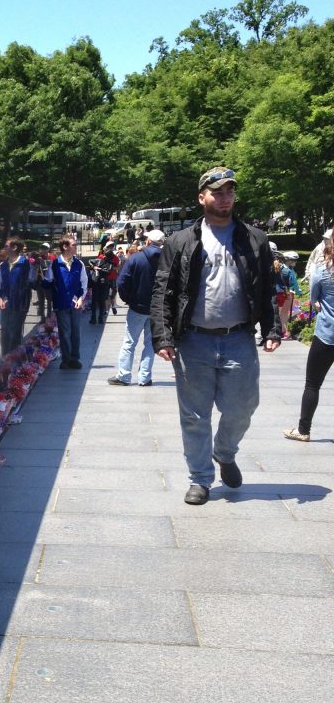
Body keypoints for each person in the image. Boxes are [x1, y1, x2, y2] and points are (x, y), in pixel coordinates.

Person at [150, 166, 281, 505]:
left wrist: (272, 328)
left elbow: (266, 288)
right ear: (202, 197)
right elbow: (164, 290)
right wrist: (162, 336)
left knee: (244, 407)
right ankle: (200, 478)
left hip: (238, 338)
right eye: (217, 191)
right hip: (194, 341)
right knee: (194, 415)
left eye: (229, 191)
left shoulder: (255, 239)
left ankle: (224, 452)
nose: (225, 197)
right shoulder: (181, 241)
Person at [284, 233, 334, 442]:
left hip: (327, 334)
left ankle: (303, 430)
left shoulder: (323, 271)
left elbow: (314, 299)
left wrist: (318, 304)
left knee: (313, 384)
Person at [108, 228, 165, 387]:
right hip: (157, 309)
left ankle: (124, 375)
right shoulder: (167, 260)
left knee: (129, 343)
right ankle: (145, 378)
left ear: (147, 242)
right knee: (150, 344)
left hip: (138, 308)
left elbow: (122, 282)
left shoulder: (135, 259)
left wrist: (129, 299)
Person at [43, 235, 88, 370]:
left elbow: (84, 282)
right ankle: (66, 359)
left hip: (76, 303)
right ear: (65, 246)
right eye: (73, 244)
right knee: (65, 332)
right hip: (61, 303)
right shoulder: (55, 264)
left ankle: (75, 358)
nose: (76, 247)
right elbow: (48, 281)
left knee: (76, 332)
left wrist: (81, 298)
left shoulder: (79, 264)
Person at [0, 236, 36, 355]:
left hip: (20, 303)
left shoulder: (25, 264)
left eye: (7, 245)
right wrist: (0, 297)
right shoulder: (3, 265)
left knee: (15, 332)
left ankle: (15, 360)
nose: (4, 248)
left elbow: (32, 281)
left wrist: (36, 268)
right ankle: (5, 359)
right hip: (6, 302)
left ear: (14, 247)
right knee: (5, 332)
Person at [89, 242, 118, 324]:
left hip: (101, 283)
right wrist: (94, 267)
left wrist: (97, 268)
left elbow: (107, 271)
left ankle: (97, 318)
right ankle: (96, 318)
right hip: (101, 283)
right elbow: (90, 261)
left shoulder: (108, 263)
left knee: (98, 301)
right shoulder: (103, 261)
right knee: (99, 301)